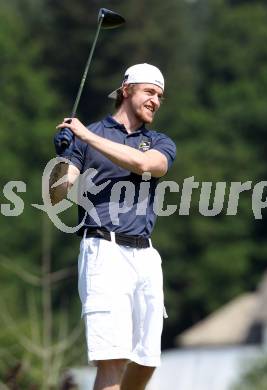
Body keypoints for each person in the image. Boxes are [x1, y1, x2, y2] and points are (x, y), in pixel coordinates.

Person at [51, 63, 176, 390]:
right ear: (126, 90)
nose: (156, 101)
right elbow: (58, 194)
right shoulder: (87, 137)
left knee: (147, 359)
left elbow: (147, 165)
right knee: (113, 359)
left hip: (146, 256)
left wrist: (84, 135)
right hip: (103, 251)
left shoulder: (159, 141)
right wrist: (62, 158)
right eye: (150, 91)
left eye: (160, 96)